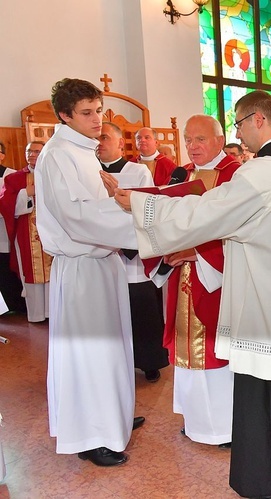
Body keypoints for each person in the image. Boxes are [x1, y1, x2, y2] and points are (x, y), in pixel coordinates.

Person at [115, 89, 271, 499]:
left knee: (269, 388)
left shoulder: (260, 171)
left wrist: (140, 205)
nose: (239, 133)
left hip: (267, 300)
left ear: (257, 120)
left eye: (238, 124)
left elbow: (206, 215)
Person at [34, 77, 144, 467]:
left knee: (112, 346)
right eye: (87, 113)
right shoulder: (58, 155)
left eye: (99, 110)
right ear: (64, 115)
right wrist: (138, 220)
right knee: (91, 351)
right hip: (82, 266)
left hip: (102, 262)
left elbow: (97, 205)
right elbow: (77, 218)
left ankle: (111, 415)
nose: (98, 119)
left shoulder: (83, 150)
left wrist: (117, 199)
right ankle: (91, 434)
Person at [143, 114, 241, 446]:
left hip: (215, 276)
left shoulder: (234, 176)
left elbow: (236, 230)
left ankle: (225, 427)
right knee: (186, 347)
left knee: (215, 349)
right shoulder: (183, 174)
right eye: (187, 139)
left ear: (219, 139)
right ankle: (196, 421)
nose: (192, 146)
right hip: (183, 274)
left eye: (200, 139)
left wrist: (196, 253)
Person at [97, 121, 168, 382]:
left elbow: (145, 206)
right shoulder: (88, 172)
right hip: (102, 254)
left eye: (105, 138)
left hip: (132, 255)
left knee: (141, 309)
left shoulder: (137, 171)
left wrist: (114, 194)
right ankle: (116, 364)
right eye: (97, 138)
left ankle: (149, 360)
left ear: (119, 143)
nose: (99, 143)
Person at [0, 141, 51, 322]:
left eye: (37, 151)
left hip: (52, 233)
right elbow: (5, 205)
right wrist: (25, 194)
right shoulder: (14, 178)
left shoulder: (53, 175)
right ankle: (36, 314)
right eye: (29, 151)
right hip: (25, 233)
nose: (32, 154)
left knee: (53, 272)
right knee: (30, 270)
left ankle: (52, 312)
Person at [0, 141, 26, 315]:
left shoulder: (11, 176)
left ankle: (14, 306)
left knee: (6, 268)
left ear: (2, 155)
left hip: (4, 229)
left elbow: (13, 203)